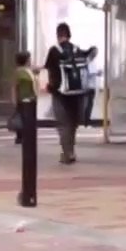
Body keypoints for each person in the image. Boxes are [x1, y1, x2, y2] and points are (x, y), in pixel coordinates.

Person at [43, 22, 89, 164]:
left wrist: (49, 85)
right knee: (73, 123)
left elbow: (49, 68)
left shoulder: (54, 50)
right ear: (69, 34)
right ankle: (72, 151)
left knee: (63, 124)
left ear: (58, 35)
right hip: (77, 94)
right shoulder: (76, 49)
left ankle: (67, 153)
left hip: (60, 93)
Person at [10, 51, 39, 145]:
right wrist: (14, 99)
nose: (30, 60)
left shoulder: (29, 70)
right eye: (29, 58)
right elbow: (14, 86)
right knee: (23, 117)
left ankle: (27, 136)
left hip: (31, 97)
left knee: (29, 118)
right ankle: (20, 137)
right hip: (23, 98)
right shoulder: (19, 72)